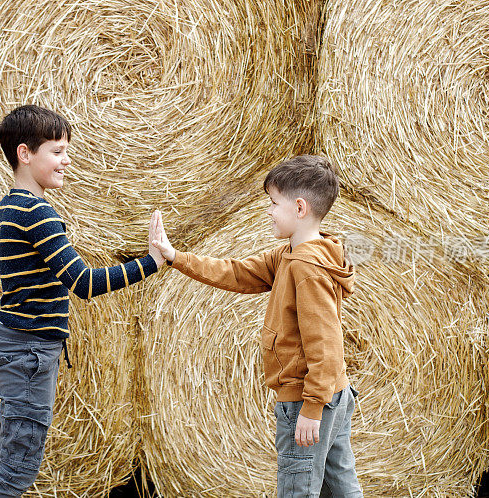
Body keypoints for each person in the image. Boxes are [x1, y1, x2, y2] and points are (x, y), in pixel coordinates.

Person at [0, 104, 165, 497]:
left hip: (11, 345)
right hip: (29, 355)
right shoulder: (38, 213)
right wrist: (152, 263)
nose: (66, 161)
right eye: (57, 151)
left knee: (14, 464)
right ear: (25, 154)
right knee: (14, 473)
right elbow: (84, 283)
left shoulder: (4, 209)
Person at [152, 155, 362, 497]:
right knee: (340, 488)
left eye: (273, 203)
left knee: (298, 488)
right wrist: (176, 257)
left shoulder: (305, 267)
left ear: (299, 207)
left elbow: (325, 342)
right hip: (333, 394)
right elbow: (236, 272)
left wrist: (310, 407)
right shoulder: (293, 255)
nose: (268, 211)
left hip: (308, 401)